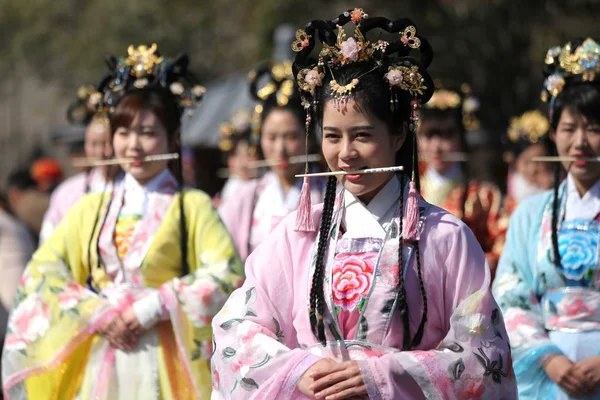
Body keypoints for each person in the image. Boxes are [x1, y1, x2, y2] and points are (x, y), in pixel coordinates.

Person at [211, 9, 515, 399]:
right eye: (333, 136)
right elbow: (236, 327)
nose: (346, 153)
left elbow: (484, 355)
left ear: (400, 134)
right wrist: (300, 368)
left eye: (363, 135)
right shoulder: (298, 234)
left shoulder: (445, 236)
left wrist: (383, 375)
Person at [2, 44, 243, 399]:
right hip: (100, 349)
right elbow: (42, 272)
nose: (134, 145)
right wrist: (96, 311)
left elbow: (227, 273)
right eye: (124, 132)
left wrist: (155, 306)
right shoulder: (89, 207)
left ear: (172, 139)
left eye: (148, 133)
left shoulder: (192, 206)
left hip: (167, 357)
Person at [493, 37, 600, 399]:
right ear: (553, 134)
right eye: (569, 129)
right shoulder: (530, 214)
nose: (580, 143)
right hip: (546, 374)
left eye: (594, 128)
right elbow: (510, 292)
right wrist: (549, 358)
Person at [218, 60, 325, 261]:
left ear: (308, 138)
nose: (280, 149)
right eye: (272, 137)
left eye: (291, 137)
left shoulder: (330, 193)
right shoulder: (245, 197)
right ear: (260, 139)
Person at [418, 86, 505, 276]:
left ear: (461, 138)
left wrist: (473, 265)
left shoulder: (483, 195)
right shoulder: (408, 189)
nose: (437, 147)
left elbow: (502, 247)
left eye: (448, 135)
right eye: (429, 135)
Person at [40, 86, 117, 244]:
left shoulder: (135, 187)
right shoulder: (67, 192)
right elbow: (49, 241)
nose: (103, 152)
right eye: (94, 144)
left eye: (108, 143)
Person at [503, 109, 555, 214]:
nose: (532, 169)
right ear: (516, 163)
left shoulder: (559, 192)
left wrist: (548, 189)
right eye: (526, 162)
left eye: (539, 161)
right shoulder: (510, 201)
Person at [214, 109, 258, 207]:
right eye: (237, 155)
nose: (243, 163)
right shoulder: (231, 188)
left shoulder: (266, 185)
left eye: (249, 154)